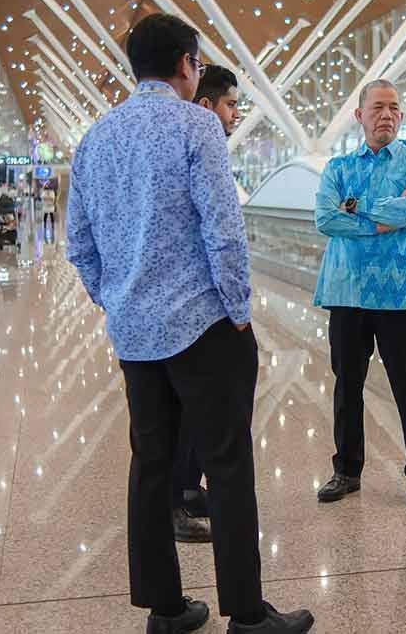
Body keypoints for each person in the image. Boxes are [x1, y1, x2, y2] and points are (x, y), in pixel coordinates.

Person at [65, 13, 313, 634]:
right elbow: (223, 231)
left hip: (136, 334)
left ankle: (166, 608)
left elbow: (79, 244)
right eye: (199, 65)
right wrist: (237, 310)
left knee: (151, 464)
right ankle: (248, 615)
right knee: (227, 463)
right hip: (203, 327)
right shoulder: (197, 126)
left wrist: (115, 300)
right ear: (184, 64)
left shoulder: (96, 139)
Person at [313, 79, 406, 511]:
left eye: (394, 108)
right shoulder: (338, 167)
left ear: (401, 116)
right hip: (347, 291)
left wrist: (357, 208)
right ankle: (347, 469)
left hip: (400, 293)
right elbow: (325, 219)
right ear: (359, 116)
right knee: (347, 384)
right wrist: (381, 218)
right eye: (378, 108)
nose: (387, 115)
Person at [167, 63, 243, 545]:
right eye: (231, 104)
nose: (236, 114)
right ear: (204, 105)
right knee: (195, 412)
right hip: (200, 309)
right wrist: (239, 310)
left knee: (183, 414)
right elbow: (223, 232)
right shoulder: (200, 140)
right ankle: (178, 500)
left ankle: (187, 490)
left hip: (161, 310)